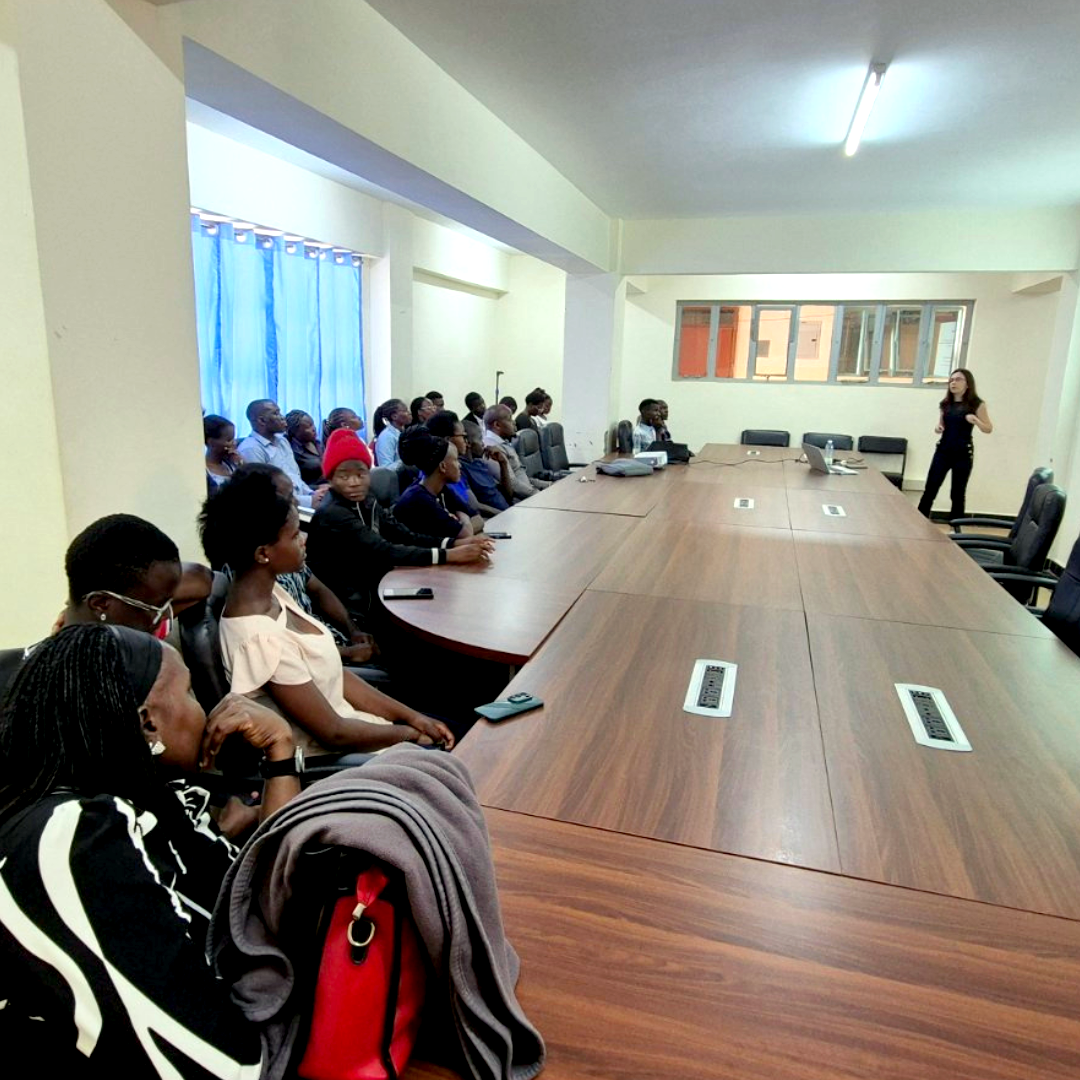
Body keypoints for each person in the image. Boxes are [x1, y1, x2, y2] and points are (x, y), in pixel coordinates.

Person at [0, 623, 299, 1078]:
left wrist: (280, 753)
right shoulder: (72, 838)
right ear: (148, 722)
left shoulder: (161, 802)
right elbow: (216, 1065)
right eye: (191, 693)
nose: (208, 711)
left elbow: (262, 900)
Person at [200, 465, 461, 756]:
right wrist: (409, 734)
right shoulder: (258, 639)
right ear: (263, 553)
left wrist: (412, 717)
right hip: (349, 756)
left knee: (458, 719)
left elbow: (336, 676)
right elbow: (334, 733)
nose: (304, 540)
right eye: (295, 535)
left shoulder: (271, 592)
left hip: (365, 729)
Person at [304, 430, 492, 627]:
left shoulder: (367, 500)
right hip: (351, 608)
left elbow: (404, 535)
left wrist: (455, 543)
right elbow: (383, 550)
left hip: (374, 589)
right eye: (344, 476)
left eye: (361, 474)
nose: (354, 482)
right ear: (330, 479)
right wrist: (450, 555)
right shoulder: (333, 513)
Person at [917, 368, 993, 519]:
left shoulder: (977, 404)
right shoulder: (945, 404)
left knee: (957, 493)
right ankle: (918, 520)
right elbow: (941, 425)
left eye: (958, 379)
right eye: (951, 380)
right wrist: (938, 428)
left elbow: (988, 428)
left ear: (967, 384)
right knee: (931, 487)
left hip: (963, 453)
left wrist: (976, 420)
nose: (953, 383)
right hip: (943, 450)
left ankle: (956, 527)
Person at [236, 398, 327, 508]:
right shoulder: (251, 449)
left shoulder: (282, 441)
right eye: (276, 413)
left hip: (300, 503)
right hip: (280, 510)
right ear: (262, 421)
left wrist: (312, 494)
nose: (282, 417)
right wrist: (308, 501)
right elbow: (263, 494)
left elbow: (295, 478)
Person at [396, 428, 475, 541]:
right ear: (442, 466)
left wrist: (461, 520)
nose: (460, 465)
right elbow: (465, 534)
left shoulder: (442, 489)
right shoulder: (419, 499)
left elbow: (478, 519)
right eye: (456, 460)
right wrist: (464, 517)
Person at [427, 410, 510, 515]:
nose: (466, 442)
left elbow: (507, 495)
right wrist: (504, 514)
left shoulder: (478, 463)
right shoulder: (452, 471)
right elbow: (473, 507)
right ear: (448, 440)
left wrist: (503, 464)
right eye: (463, 436)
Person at [483, 404, 549, 498]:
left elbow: (521, 476)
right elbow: (513, 485)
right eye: (509, 419)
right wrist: (539, 494)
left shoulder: (503, 442)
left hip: (529, 493)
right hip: (521, 501)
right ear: (497, 425)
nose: (514, 422)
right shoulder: (491, 448)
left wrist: (549, 485)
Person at [204, 414, 241, 492]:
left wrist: (241, 463)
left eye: (234, 439)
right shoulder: (204, 471)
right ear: (211, 442)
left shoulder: (232, 464)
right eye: (229, 440)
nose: (234, 443)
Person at [285, 409, 323, 486]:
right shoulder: (292, 452)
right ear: (295, 431)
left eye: (313, 424)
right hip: (311, 489)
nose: (314, 429)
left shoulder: (318, 443)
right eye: (308, 427)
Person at [372, 397, 410, 466]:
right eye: (405, 411)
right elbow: (386, 466)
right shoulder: (386, 437)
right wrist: (408, 461)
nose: (409, 413)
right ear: (394, 416)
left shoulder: (403, 432)